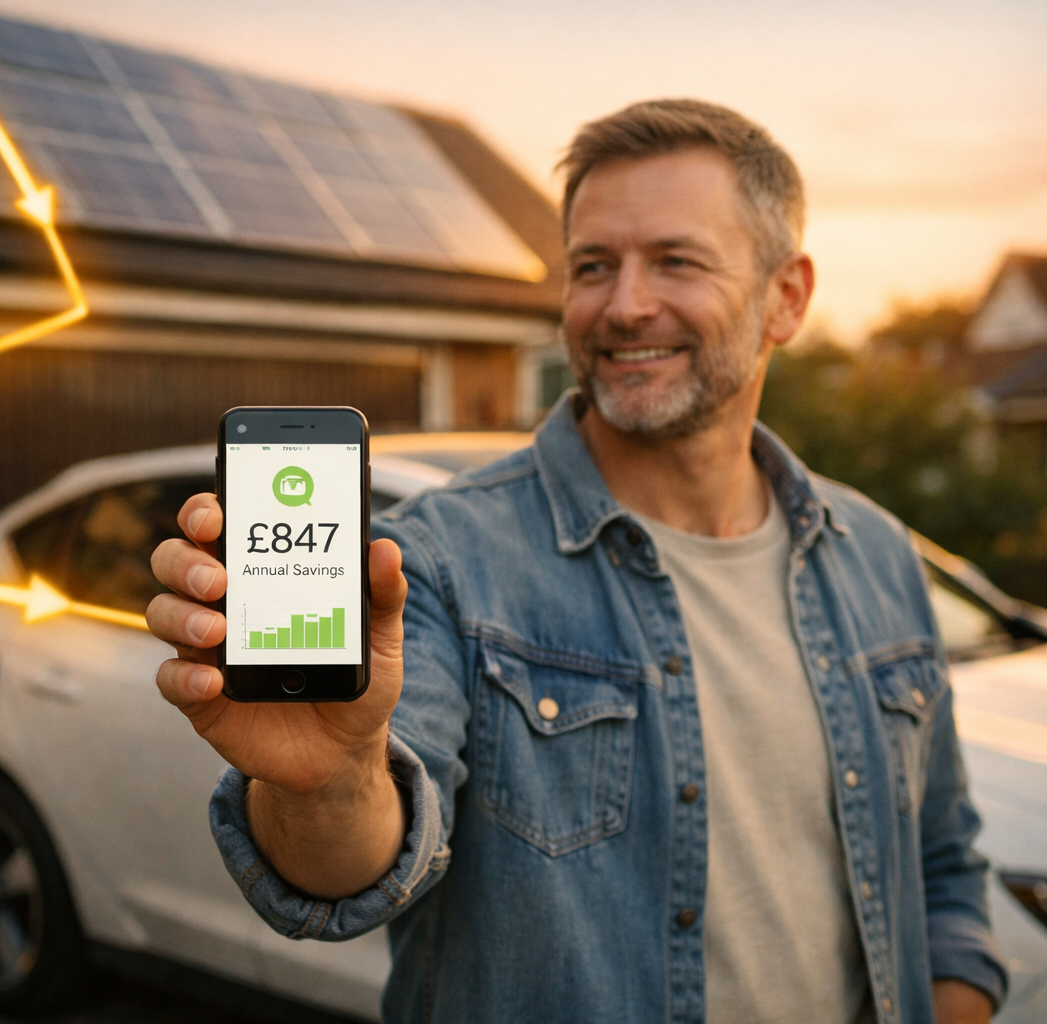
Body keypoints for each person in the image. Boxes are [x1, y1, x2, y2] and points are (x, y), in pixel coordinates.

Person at [146, 99, 1004, 1024]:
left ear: (786, 296)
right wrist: (325, 778)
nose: (625, 305)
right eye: (593, 266)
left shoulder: (873, 552)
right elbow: (356, 866)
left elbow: (944, 867)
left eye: (675, 260)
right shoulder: (435, 560)